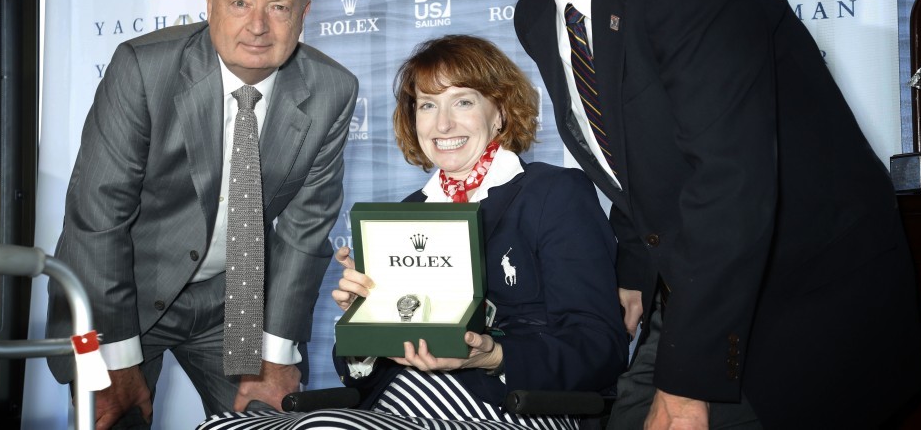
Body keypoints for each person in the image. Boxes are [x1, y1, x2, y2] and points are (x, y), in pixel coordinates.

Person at [461, 0, 921, 430]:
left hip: (805, 295)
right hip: (699, 291)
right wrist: (630, 276)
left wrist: (685, 389)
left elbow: (731, 181)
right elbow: (629, 157)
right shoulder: (539, 15)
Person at [198, 34, 625, 430]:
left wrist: (493, 356)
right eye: (427, 105)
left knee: (329, 427)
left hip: (515, 405)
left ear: (499, 112)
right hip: (403, 402)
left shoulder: (552, 193)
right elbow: (364, 375)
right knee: (218, 426)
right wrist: (364, 322)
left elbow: (600, 348)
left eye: (462, 102)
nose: (442, 125)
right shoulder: (408, 215)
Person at [46, 0, 359, 428]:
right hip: (122, 292)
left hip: (233, 300)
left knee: (269, 421)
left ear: (304, 14)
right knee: (114, 419)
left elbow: (305, 230)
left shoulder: (331, 90)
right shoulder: (143, 69)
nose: (258, 26)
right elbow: (97, 219)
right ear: (210, 2)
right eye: (240, 3)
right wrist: (118, 360)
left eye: (279, 7)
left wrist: (276, 356)